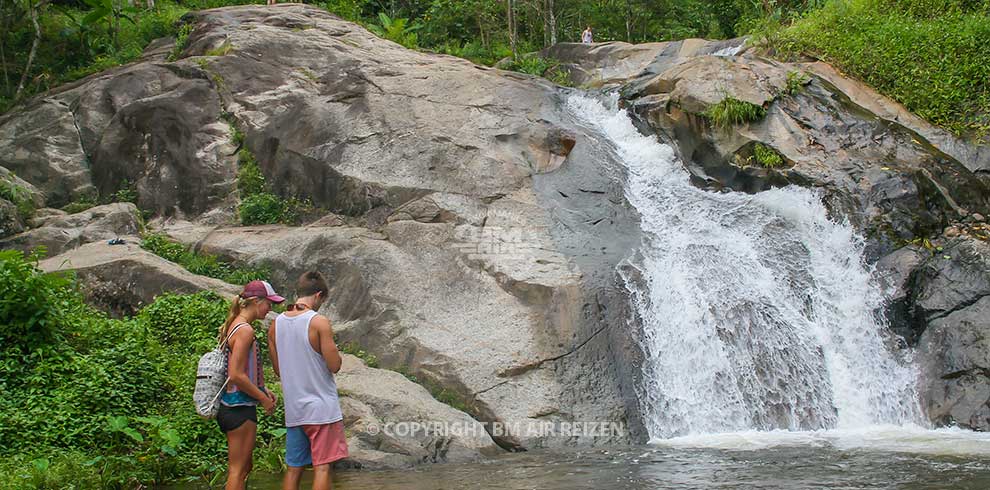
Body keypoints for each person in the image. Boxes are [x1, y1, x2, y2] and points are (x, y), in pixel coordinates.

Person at [269, 271, 348, 490]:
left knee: (294, 469)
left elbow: (278, 369)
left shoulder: (276, 324)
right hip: (322, 410)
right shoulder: (318, 322)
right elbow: (335, 365)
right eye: (322, 301)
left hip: (295, 411)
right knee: (322, 467)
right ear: (318, 295)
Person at [217, 280, 285, 490]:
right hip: (238, 409)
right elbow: (236, 374)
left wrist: (263, 390)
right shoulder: (244, 330)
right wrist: (263, 399)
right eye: (268, 304)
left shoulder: (235, 324)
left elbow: (243, 371)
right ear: (256, 301)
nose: (270, 309)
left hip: (235, 407)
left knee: (245, 468)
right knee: (237, 472)